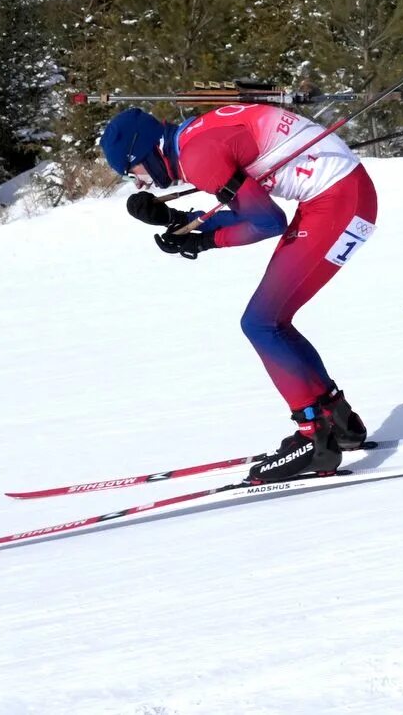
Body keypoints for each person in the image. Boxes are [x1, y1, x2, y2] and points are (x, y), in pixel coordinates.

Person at [100, 102, 379, 481]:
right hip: (340, 196)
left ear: (145, 153)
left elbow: (266, 222)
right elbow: (252, 207)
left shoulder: (197, 158)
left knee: (262, 323)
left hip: (339, 203)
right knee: (272, 321)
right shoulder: (193, 138)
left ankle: (315, 438)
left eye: (131, 170)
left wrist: (206, 241)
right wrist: (179, 221)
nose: (138, 182)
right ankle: (337, 420)